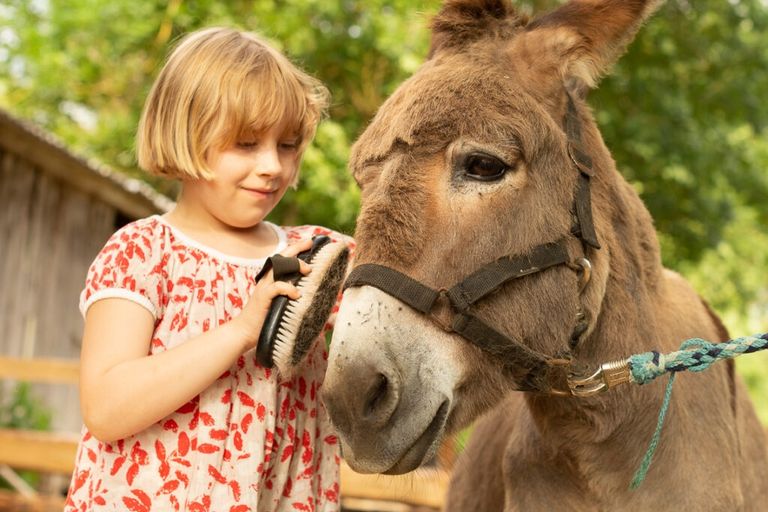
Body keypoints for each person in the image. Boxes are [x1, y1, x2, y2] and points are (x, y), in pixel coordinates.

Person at [65, 26, 352, 511]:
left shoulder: (315, 257)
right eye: (245, 143)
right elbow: (106, 408)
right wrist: (242, 330)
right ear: (185, 134)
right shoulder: (144, 252)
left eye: (287, 145)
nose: (272, 166)